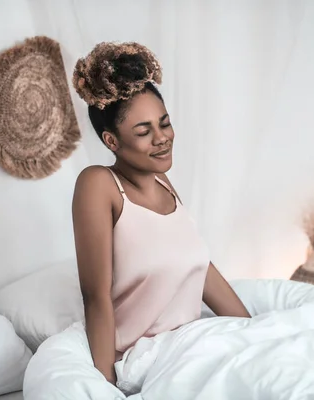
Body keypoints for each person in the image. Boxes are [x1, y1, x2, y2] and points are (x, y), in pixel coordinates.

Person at [71, 41, 251, 387]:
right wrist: (107, 387)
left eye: (164, 123)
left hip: (197, 342)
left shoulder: (163, 181)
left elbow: (199, 267)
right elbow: (95, 296)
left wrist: (255, 330)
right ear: (111, 141)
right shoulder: (98, 184)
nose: (162, 138)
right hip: (151, 357)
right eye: (143, 131)